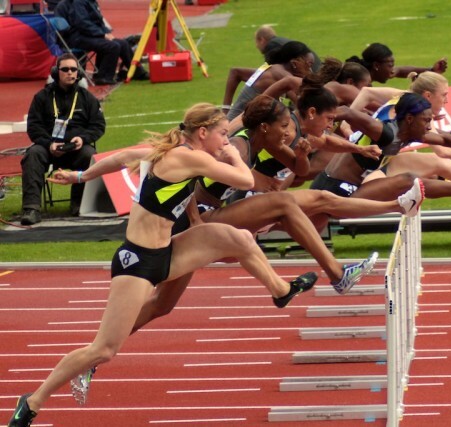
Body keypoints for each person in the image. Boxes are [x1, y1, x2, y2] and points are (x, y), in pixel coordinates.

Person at [7, 103, 319, 427]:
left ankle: (281, 290)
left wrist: (80, 176)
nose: (227, 141)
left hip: (168, 250)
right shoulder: (189, 156)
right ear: (203, 133)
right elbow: (243, 180)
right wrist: (233, 156)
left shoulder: (164, 151)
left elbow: (119, 158)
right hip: (139, 262)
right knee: (103, 349)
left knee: (239, 239)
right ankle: (32, 401)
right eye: (223, 135)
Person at [20, 53, 105, 225]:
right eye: (65, 69)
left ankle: (79, 204)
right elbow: (34, 127)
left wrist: (83, 138)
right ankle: (31, 208)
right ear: (55, 72)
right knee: (33, 154)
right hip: (48, 147)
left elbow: (98, 126)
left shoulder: (87, 98)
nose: (70, 73)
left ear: (78, 73)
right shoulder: (42, 97)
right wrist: (48, 144)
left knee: (90, 155)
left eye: (73, 69)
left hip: (77, 149)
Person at [61, 0, 149, 85]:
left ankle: (137, 72)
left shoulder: (91, 2)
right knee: (112, 46)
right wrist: (102, 34)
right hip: (79, 37)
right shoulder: (79, 2)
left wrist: (106, 33)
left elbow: (99, 22)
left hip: (89, 34)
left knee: (123, 43)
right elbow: (82, 24)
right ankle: (103, 77)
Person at [223, 41, 315, 120]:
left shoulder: (273, 69)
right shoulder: (283, 75)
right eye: (309, 65)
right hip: (237, 128)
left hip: (236, 122)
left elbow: (235, 72)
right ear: (295, 63)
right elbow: (302, 103)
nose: (310, 71)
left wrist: (226, 108)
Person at [346, 42, 447, 84]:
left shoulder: (363, 75)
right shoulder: (361, 84)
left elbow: (400, 70)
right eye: (390, 66)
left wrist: (432, 70)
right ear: (376, 65)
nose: (392, 70)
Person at [254, 24, 321, 72]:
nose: (256, 46)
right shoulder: (281, 42)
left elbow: (270, 70)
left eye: (256, 42)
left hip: (313, 75)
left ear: (261, 40)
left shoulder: (272, 45)